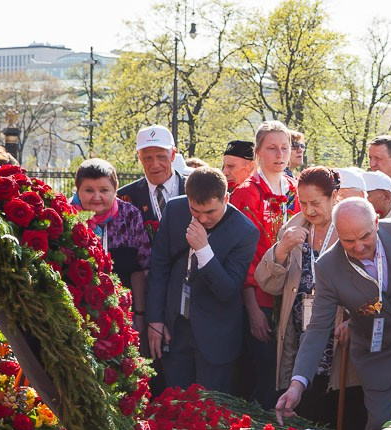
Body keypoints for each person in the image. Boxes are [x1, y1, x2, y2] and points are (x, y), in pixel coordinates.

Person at [275, 198, 391, 430]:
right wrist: (297, 384)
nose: (359, 247)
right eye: (348, 241)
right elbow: (318, 328)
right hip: (378, 355)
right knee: (381, 429)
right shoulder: (329, 267)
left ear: (376, 222)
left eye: (365, 236)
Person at [253, 166, 366, 430]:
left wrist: (354, 320)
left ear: (334, 197)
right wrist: (281, 250)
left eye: (315, 203)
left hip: (337, 337)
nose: (309, 210)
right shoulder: (294, 229)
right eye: (303, 203)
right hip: (299, 334)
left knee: (336, 409)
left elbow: (371, 286)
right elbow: (267, 282)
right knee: (302, 407)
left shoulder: (348, 229)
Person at [147, 167, 259, 392]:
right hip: (175, 329)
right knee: (175, 408)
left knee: (210, 414)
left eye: (210, 211)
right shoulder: (175, 210)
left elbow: (227, 290)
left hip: (215, 336)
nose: (203, 218)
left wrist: (203, 250)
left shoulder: (245, 231)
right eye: (195, 211)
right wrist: (155, 319)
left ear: (226, 198)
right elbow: (159, 267)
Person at [230, 121, 302, 408]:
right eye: (272, 148)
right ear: (258, 151)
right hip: (260, 297)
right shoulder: (246, 193)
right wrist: (252, 308)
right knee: (266, 374)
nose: (280, 154)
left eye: (285, 148)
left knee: (288, 371)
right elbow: (243, 255)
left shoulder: (296, 190)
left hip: (293, 294)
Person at [73, 159, 153, 332]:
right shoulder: (66, 216)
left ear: (115, 191)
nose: (96, 197)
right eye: (88, 190)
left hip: (122, 313)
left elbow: (139, 270)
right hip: (76, 315)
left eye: (104, 190)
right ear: (78, 191)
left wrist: (139, 314)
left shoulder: (130, 215)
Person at [118, 124, 186, 228]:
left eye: (161, 157)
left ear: (172, 155)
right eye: (148, 158)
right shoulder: (125, 197)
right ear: (139, 158)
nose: (155, 164)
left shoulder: (195, 190)